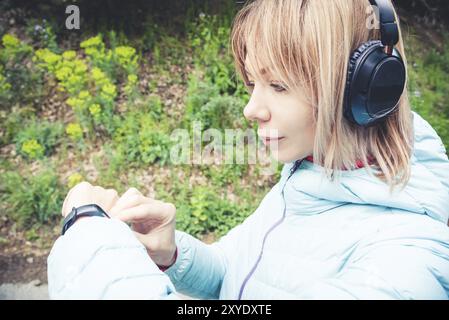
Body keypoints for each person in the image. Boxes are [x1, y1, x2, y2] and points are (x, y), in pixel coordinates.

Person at [47, 0, 449, 299]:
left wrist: (90, 240)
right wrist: (172, 254)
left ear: (364, 89)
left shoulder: (409, 262)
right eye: (252, 83)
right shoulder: (310, 180)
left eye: (278, 86)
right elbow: (237, 275)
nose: (250, 109)